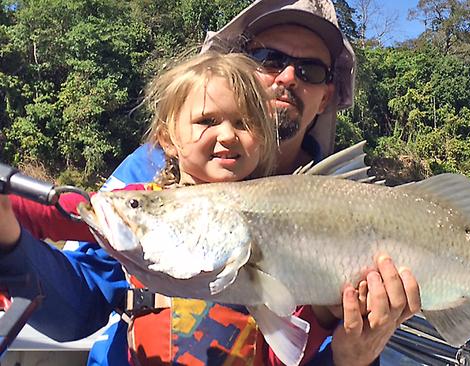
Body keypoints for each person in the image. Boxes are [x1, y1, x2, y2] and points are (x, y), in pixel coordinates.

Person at [0, 1, 421, 365]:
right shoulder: (149, 172)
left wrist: (353, 357)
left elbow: (294, 352)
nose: (288, 77)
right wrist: (10, 243)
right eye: (268, 59)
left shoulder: (352, 203)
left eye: (309, 69)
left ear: (326, 96)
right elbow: (77, 305)